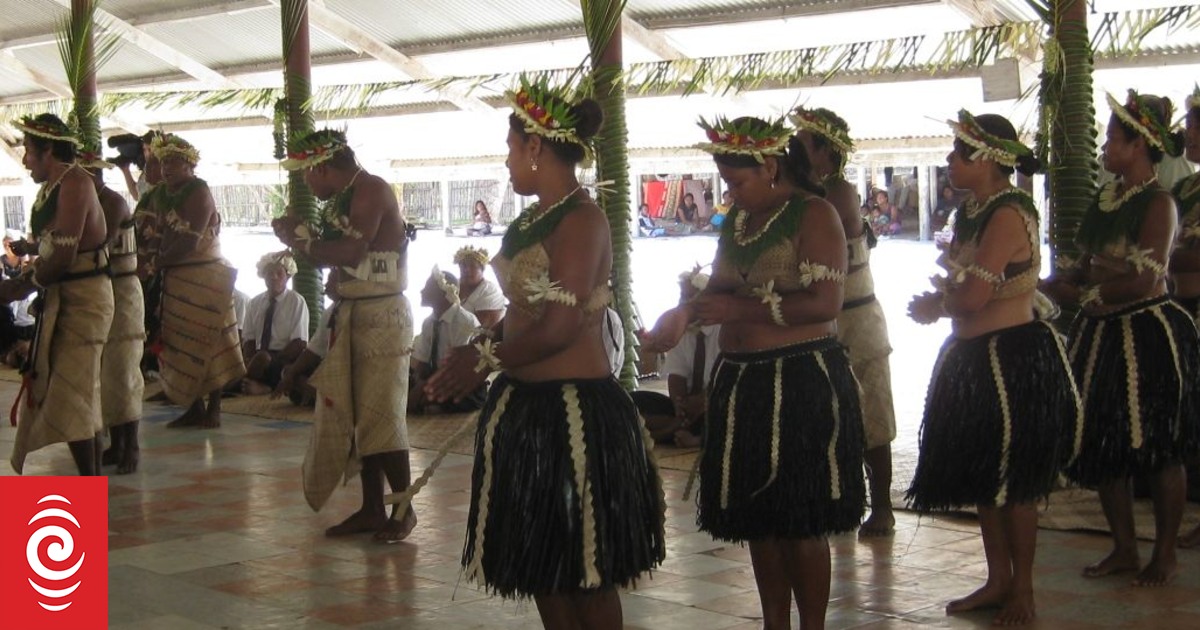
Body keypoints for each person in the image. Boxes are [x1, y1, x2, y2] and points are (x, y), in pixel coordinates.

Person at [424, 76, 664, 628]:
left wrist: (484, 360)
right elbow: (523, 313)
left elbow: (559, 328)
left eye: (511, 148)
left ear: (536, 147)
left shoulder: (584, 220)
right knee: (544, 566)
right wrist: (483, 342)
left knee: (586, 570)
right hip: (528, 410)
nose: (507, 162)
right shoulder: (532, 220)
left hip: (574, 413)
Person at [642, 114, 865, 630]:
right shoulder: (741, 223)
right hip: (745, 383)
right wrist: (681, 315)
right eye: (726, 182)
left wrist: (738, 313)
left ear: (769, 167)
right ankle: (773, 624)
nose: (731, 193)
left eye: (737, 182)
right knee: (760, 519)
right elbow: (719, 289)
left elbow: (825, 303)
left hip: (801, 379)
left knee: (801, 519)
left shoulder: (815, 215)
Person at [907, 111, 1081, 625]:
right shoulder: (974, 212)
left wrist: (936, 306)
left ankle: (1023, 590)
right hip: (976, 360)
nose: (949, 161)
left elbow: (974, 295)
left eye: (959, 153)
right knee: (986, 477)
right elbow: (963, 287)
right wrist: (944, 297)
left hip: (1011, 359)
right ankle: (997, 579)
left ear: (988, 160)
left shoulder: (1007, 213)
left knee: (1014, 481)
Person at [1043, 90, 1198, 587]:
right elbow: (1087, 262)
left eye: (1113, 138)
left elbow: (1147, 280)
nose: (1106, 147)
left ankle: (1166, 552)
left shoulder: (1160, 203)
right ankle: (1125, 549)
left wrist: (1085, 286)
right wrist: (1053, 283)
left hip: (1145, 333)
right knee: (1103, 442)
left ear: (1140, 145)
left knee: (1158, 445)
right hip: (1099, 334)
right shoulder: (1107, 198)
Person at [272, 128, 417, 543]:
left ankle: (404, 511)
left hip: (382, 316)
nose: (305, 183)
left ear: (321, 165)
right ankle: (372, 508)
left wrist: (301, 239)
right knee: (357, 416)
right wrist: (311, 247)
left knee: (382, 414)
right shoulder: (346, 197)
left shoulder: (370, 189)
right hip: (355, 311)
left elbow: (351, 254)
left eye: (306, 174)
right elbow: (345, 261)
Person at [793, 106, 898, 538]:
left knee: (871, 414)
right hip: (827, 320)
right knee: (831, 414)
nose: (793, 150)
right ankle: (843, 498)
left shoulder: (838, 193)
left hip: (856, 318)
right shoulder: (811, 191)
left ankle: (884, 507)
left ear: (822, 150)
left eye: (801, 144)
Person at [4, 114, 114, 476]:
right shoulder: (53, 186)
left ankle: (89, 485)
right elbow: (55, 245)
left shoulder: (76, 182)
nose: (24, 160)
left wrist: (20, 286)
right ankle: (91, 483)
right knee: (73, 393)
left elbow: (64, 256)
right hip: (63, 295)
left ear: (48, 150)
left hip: (86, 298)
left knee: (73, 393)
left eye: (29, 152)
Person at [146, 134, 246, 429]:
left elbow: (189, 243)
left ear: (190, 164)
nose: (167, 167)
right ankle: (193, 406)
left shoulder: (199, 192)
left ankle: (213, 409)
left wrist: (156, 263)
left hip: (206, 276)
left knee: (210, 341)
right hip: (175, 276)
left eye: (174, 161)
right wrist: (152, 257)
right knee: (179, 345)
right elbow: (158, 233)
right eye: (163, 161)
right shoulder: (162, 193)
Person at [80, 148, 146, 475]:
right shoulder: (87, 202)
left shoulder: (114, 203)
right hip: (103, 290)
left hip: (123, 288)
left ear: (93, 175)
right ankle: (116, 442)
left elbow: (98, 243)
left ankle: (131, 443)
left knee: (123, 370)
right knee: (106, 373)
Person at [640, 267, 719, 448]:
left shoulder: (724, 331)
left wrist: (702, 402)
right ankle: (679, 427)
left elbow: (728, 381)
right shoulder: (680, 330)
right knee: (634, 402)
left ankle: (689, 436)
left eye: (689, 298)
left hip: (715, 402)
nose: (683, 303)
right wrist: (679, 405)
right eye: (682, 297)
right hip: (687, 405)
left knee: (724, 415)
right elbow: (676, 375)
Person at [1174, 87, 1200, 550]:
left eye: (1194, 125)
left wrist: (1160, 258)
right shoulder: (1187, 188)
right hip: (1184, 310)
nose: (1187, 133)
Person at [409, 267, 483, 414]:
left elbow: (456, 368)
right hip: (436, 375)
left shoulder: (464, 321)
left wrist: (422, 390)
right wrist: (417, 384)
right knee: (400, 386)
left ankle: (434, 404)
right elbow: (422, 362)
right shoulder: (429, 322)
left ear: (443, 294)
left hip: (459, 377)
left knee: (460, 396)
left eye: (427, 287)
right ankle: (430, 402)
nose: (422, 291)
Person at [240, 251, 309, 395]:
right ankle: (254, 382)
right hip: (258, 359)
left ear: (288, 276)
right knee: (251, 360)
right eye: (269, 273)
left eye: (279, 273)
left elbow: (299, 342)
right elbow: (249, 340)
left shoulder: (296, 301)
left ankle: (257, 384)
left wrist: (270, 361)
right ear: (263, 276)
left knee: (265, 360)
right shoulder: (255, 303)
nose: (273, 277)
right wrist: (250, 361)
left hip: (283, 357)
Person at [454, 245, 505, 329]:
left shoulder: (490, 291)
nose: (467, 270)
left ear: (482, 270)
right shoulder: (453, 285)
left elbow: (484, 327)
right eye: (463, 266)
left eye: (472, 266)